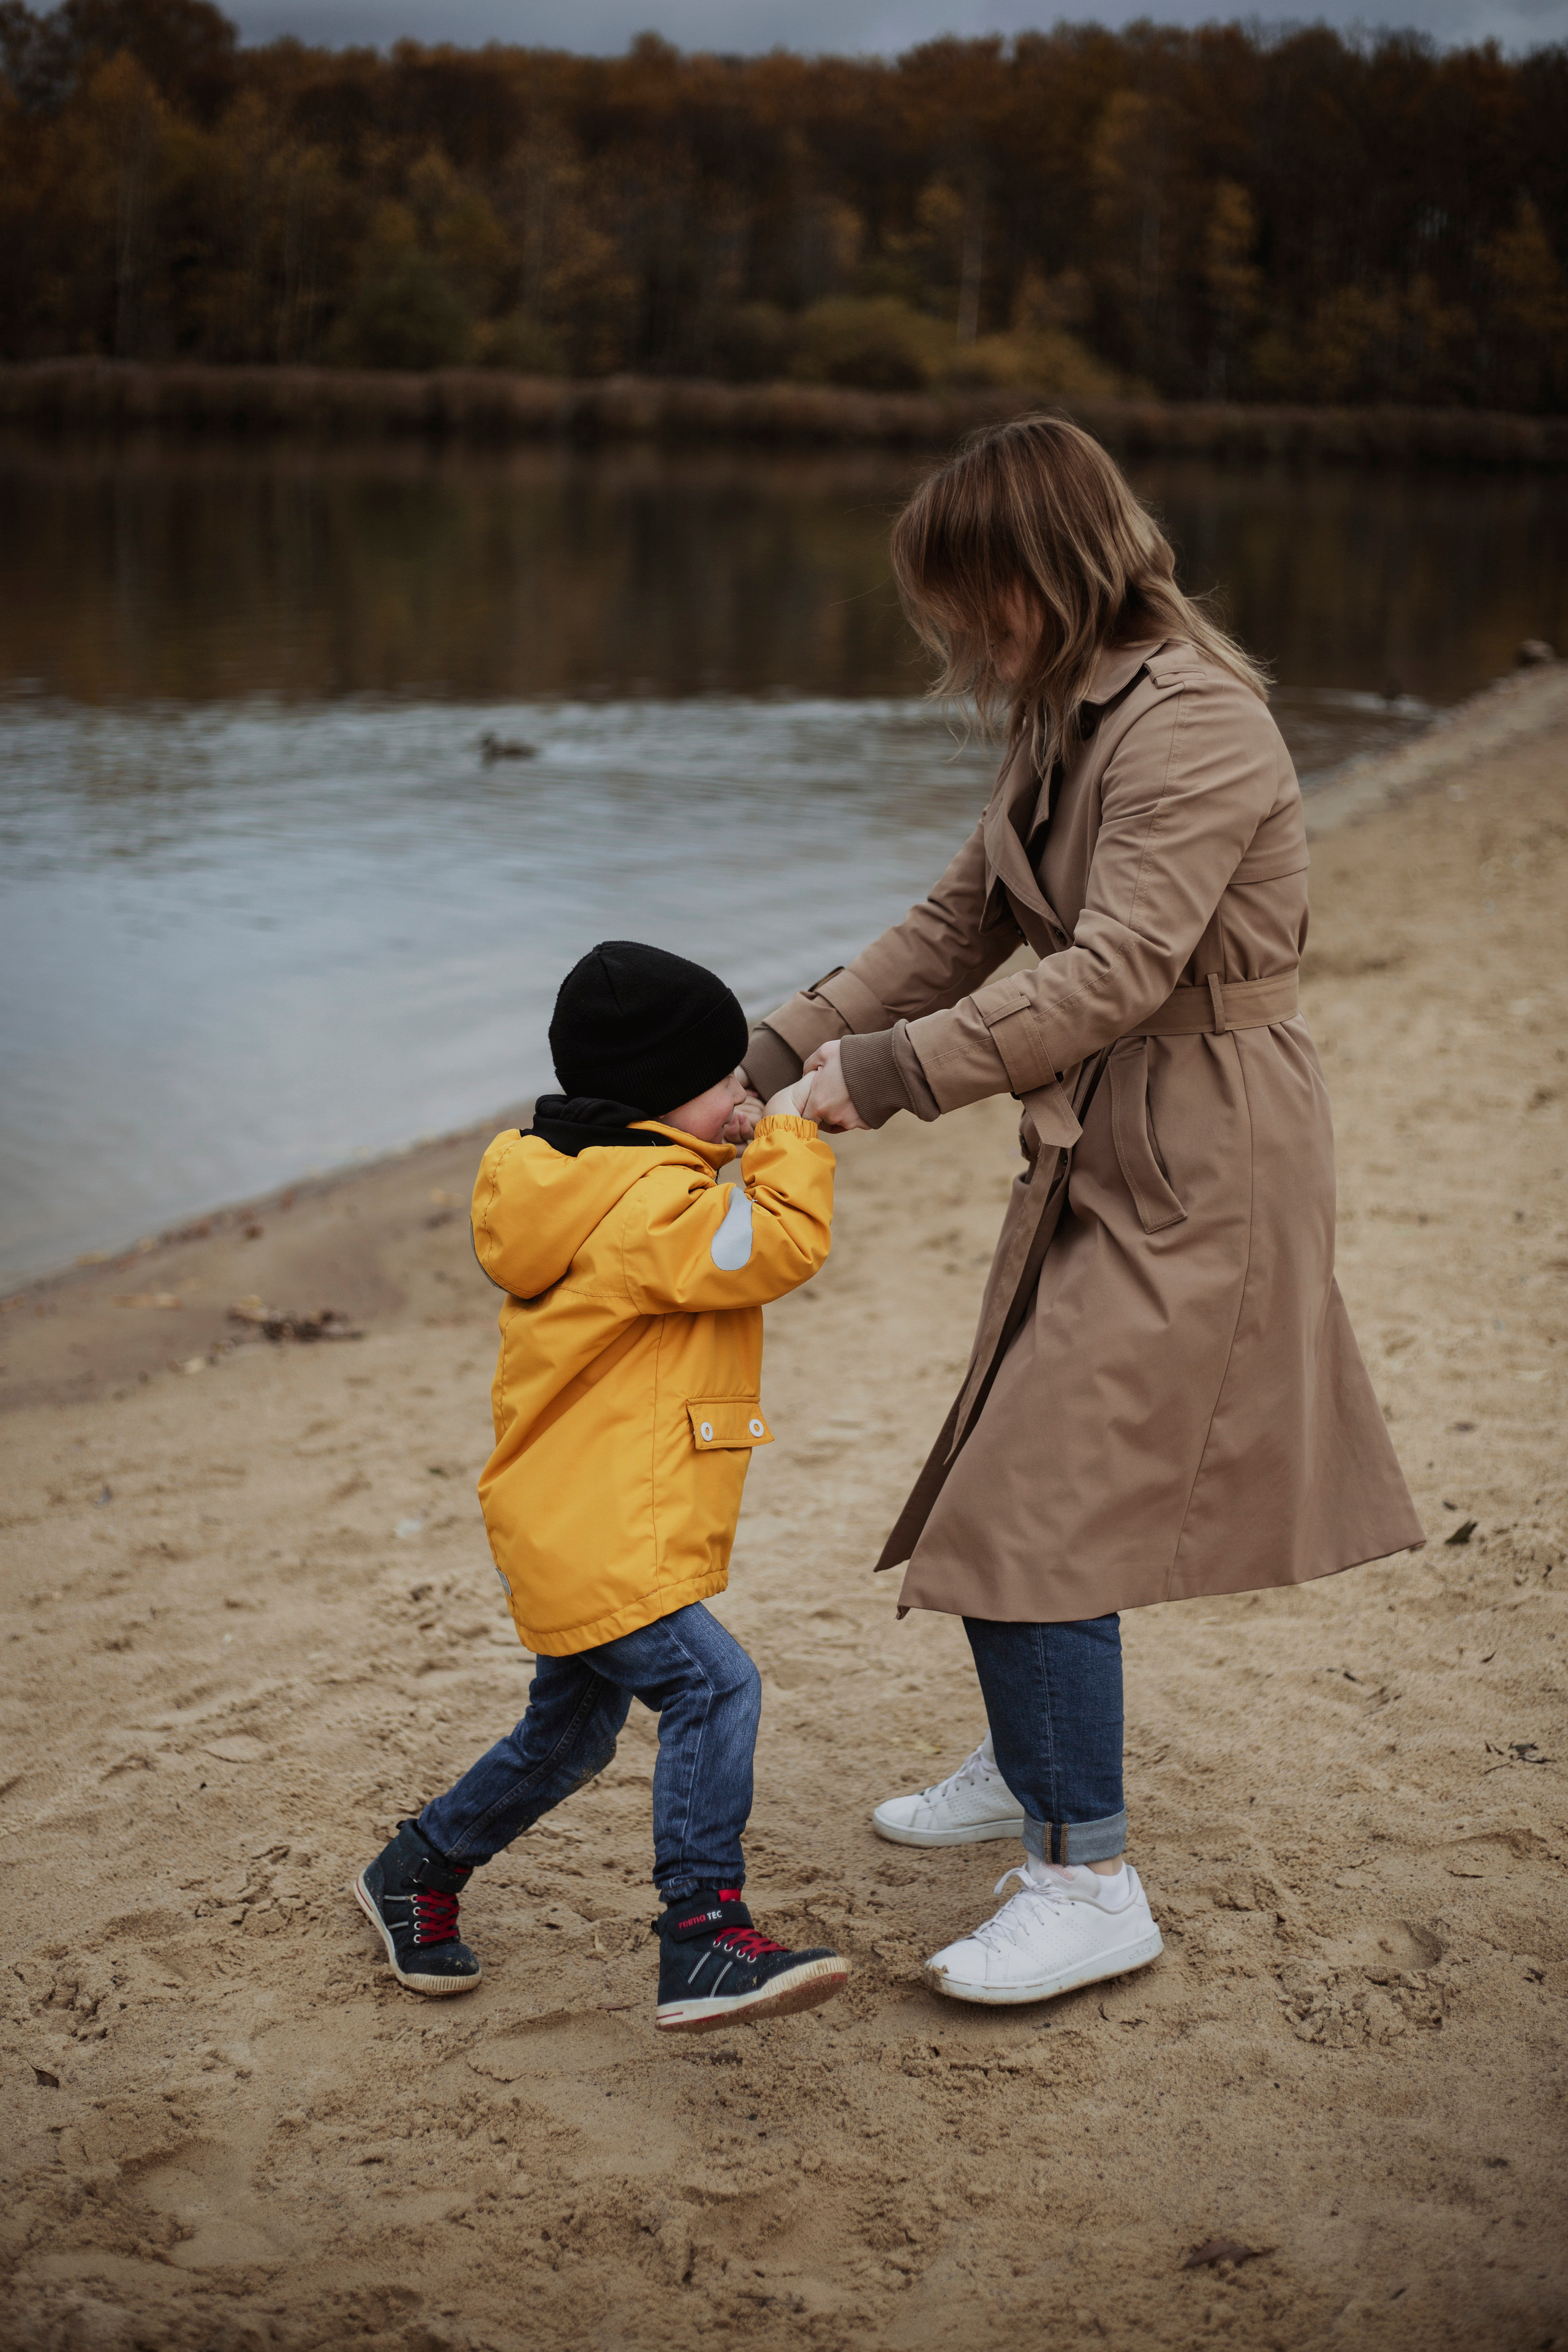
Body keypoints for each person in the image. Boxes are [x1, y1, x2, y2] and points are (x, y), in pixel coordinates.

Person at [742, 416, 1423, 2010]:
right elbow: (960, 919)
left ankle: (1086, 1877)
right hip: (1107, 1135)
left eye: (968, 595)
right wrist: (771, 1047)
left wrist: (890, 1077)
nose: (955, 633)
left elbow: (1114, 969)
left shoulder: (1195, 725)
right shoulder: (1067, 712)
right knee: (1016, 1457)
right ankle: (1029, 1753)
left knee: (1037, 1497)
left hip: (1210, 1151)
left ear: (1038, 572)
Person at [354, 940, 850, 2035]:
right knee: (714, 1687)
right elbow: (773, 1245)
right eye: (728, 1079)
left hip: (574, 1517)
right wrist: (789, 1137)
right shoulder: (644, 1214)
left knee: (572, 1736)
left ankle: (416, 1867)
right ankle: (704, 1933)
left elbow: (698, 1216)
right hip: (599, 1530)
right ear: (666, 1098)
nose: (745, 1093)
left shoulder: (596, 1178)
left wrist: (738, 1131)